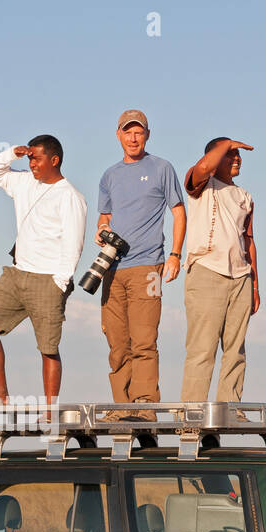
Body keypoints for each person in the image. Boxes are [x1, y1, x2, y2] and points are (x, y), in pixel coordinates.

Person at [0, 135, 87, 407]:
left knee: (48, 348)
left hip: (49, 280)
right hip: (16, 274)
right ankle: (0, 391)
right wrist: (13, 153)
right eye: (30, 158)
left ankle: (49, 410)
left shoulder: (70, 196)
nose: (32, 163)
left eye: (36, 158)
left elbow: (74, 242)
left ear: (54, 160)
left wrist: (61, 282)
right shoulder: (24, 182)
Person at [95, 110, 184, 419]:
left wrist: (175, 254)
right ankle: (123, 407)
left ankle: (144, 404)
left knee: (144, 339)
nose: (133, 138)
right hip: (112, 268)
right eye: (127, 132)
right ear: (118, 135)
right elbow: (104, 216)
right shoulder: (109, 176)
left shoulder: (162, 168)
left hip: (149, 265)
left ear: (147, 134)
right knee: (117, 341)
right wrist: (101, 230)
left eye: (138, 132)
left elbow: (178, 211)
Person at [180, 136, 259, 404]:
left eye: (238, 155)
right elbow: (202, 168)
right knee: (202, 348)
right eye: (229, 154)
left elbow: (249, 240)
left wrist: (255, 286)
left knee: (236, 350)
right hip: (206, 270)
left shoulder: (244, 196)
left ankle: (229, 409)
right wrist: (225, 143)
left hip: (240, 277)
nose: (236, 158)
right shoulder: (203, 185)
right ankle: (192, 414)